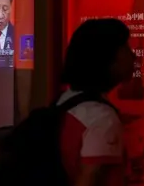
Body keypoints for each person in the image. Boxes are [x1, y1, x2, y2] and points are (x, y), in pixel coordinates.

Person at [58, 18, 135, 185]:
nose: (133, 55)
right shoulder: (102, 119)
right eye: (126, 48)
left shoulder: (66, 100)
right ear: (109, 58)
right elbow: (88, 180)